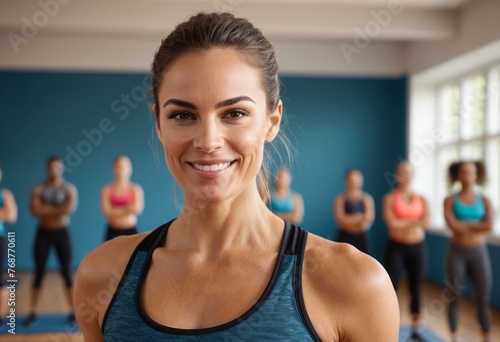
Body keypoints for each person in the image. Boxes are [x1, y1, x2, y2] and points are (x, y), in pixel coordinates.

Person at [75, 12, 399, 341]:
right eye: (183, 115)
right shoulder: (102, 274)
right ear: (159, 123)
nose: (208, 141)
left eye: (235, 113)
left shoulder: (355, 284)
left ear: (271, 122)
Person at [24, 156, 78, 326]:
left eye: (58, 167)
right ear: (47, 168)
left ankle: (73, 312)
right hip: (44, 233)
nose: (54, 170)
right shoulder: (38, 189)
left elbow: (68, 209)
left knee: (66, 272)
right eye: (52, 167)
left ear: (62, 169)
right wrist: (57, 211)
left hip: (61, 233)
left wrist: (46, 209)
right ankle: (33, 312)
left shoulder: (69, 189)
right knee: (39, 272)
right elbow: (34, 210)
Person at [443, 161, 493, 342]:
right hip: (456, 253)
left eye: (471, 173)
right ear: (457, 175)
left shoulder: (485, 200)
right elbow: (453, 227)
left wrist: (463, 225)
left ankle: (486, 337)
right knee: (454, 297)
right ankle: (454, 337)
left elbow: (488, 226)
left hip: (478, 253)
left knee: (483, 300)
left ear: (477, 175)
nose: (468, 176)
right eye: (464, 172)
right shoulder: (449, 200)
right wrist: (475, 225)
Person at [382, 161, 430, 337]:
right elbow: (392, 223)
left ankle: (417, 324)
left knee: (416, 285)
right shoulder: (389, 198)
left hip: (417, 248)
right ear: (396, 176)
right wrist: (415, 221)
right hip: (396, 248)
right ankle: (387, 321)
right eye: (402, 172)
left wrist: (403, 222)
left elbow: (426, 223)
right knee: (391, 284)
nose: (405, 176)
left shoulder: (422, 199)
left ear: (413, 175)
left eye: (408, 172)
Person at [101, 156, 144, 241]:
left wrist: (115, 210)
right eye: (119, 166)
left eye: (125, 167)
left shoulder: (135, 189)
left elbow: (136, 209)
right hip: (112, 231)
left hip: (130, 230)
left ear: (130, 169)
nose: (122, 170)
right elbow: (106, 211)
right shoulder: (107, 190)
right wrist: (127, 209)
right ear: (114, 169)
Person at [334, 169, 374, 253]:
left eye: (356, 179)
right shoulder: (340, 199)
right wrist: (359, 217)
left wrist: (348, 219)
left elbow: (368, 219)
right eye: (351, 179)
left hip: (361, 239)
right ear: (346, 180)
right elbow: (340, 220)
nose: (354, 182)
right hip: (344, 239)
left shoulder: (367, 199)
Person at [0, 167, 18, 323]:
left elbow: (11, 216)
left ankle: (1, 318)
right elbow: (4, 213)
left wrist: (5, 213)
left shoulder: (5, 194)